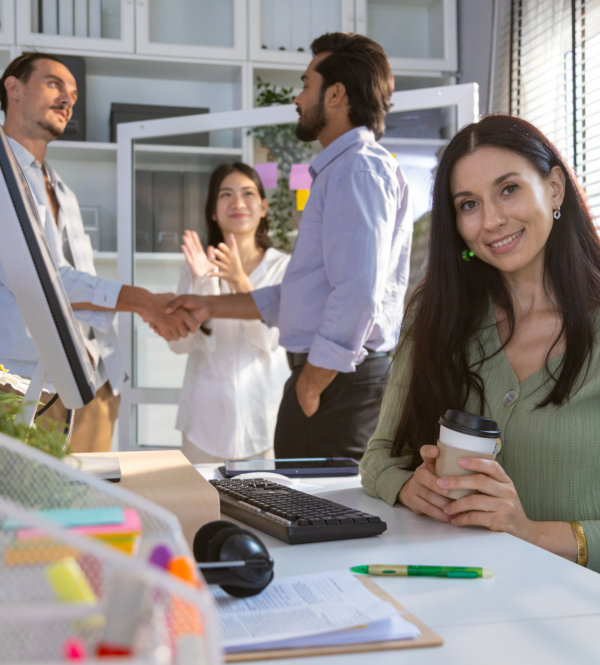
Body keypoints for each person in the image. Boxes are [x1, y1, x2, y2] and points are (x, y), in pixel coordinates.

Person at [360, 114, 600, 572]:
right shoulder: (436, 316)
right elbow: (379, 455)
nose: (491, 220)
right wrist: (410, 486)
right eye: (469, 204)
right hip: (462, 602)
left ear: (554, 188)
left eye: (508, 189)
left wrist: (528, 531)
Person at [167, 32, 413, 460]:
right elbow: (300, 298)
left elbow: (358, 293)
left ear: (335, 95)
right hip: (332, 378)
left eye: (305, 85)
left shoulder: (355, 171)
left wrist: (312, 382)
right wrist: (208, 306)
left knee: (326, 518)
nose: (298, 99)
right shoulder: (344, 171)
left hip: (336, 381)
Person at [0, 52, 196, 451]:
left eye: (73, 93)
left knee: (91, 507)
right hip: (27, 387)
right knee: (34, 508)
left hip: (95, 381)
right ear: (14, 88)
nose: (68, 99)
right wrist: (144, 301)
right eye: (54, 84)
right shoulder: (3, 180)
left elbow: (78, 283)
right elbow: (46, 279)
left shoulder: (61, 189)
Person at [168, 163, 290, 463]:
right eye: (226, 194)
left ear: (263, 207)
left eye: (248, 194)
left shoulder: (283, 267)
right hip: (203, 422)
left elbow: (270, 342)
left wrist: (239, 281)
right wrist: (203, 282)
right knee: (203, 509)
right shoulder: (196, 266)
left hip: (263, 422)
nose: (237, 203)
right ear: (213, 210)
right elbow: (179, 344)